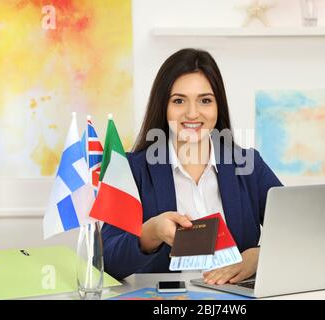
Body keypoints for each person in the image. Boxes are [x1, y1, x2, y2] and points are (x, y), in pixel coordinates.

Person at [102, 48, 283, 285]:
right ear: (163, 106)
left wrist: (258, 257)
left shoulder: (248, 165)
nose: (192, 113)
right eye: (179, 101)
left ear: (218, 106)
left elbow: (297, 230)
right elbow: (107, 260)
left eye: (205, 100)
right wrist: (151, 232)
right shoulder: (131, 169)